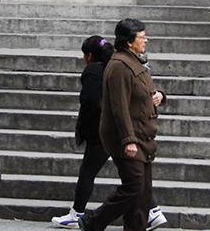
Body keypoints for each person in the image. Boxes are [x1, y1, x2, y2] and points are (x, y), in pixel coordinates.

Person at [52, 35, 168, 230]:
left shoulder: (104, 69)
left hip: (111, 133)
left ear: (89, 56)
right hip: (129, 132)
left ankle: (86, 218)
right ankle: (151, 211)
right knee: (134, 180)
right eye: (142, 36)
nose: (146, 40)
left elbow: (99, 103)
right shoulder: (123, 66)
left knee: (124, 180)